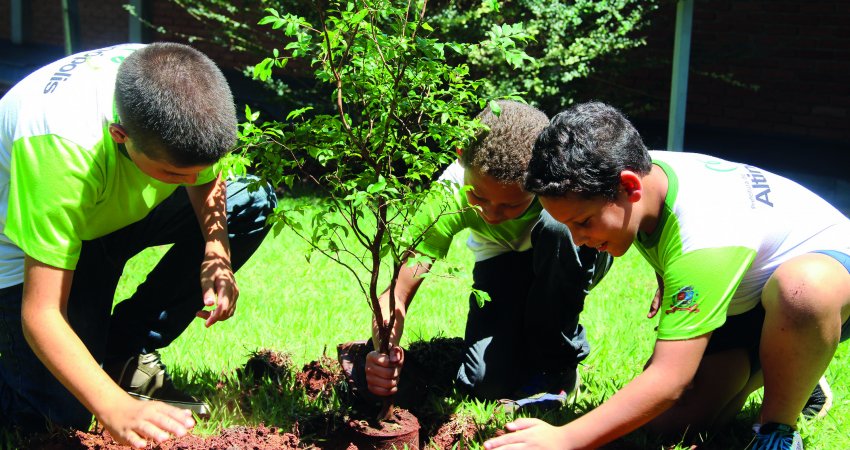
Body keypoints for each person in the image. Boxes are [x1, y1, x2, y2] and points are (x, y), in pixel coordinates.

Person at [484, 101, 850, 450]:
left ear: (629, 187)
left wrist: (565, 439)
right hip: (748, 297)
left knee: (803, 290)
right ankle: (790, 364)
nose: (579, 239)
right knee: (673, 422)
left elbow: (668, 380)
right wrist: (667, 276)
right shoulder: (637, 169)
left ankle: (778, 426)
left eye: (583, 222)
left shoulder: (706, 233)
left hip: (826, 280)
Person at [0, 43, 276, 447]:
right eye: (173, 172)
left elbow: (205, 176)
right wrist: (115, 408)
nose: (191, 181)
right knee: (54, 417)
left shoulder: (182, 89)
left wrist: (216, 252)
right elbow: (41, 314)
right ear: (120, 136)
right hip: (23, 240)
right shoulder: (60, 148)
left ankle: (122, 351)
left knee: (249, 200)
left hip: (108, 208)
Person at [363, 100, 612, 404]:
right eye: (478, 196)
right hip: (501, 260)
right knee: (485, 385)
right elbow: (397, 293)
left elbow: (633, 200)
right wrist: (383, 349)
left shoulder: (559, 178)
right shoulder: (448, 195)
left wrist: (664, 275)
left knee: (556, 227)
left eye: (511, 204)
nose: (491, 214)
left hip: (571, 254)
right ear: (461, 158)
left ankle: (557, 367)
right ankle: (520, 346)